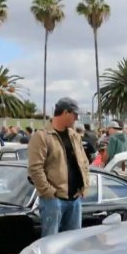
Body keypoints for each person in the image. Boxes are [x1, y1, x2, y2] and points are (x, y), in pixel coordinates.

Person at [27, 98, 90, 237]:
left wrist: (85, 186)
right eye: (74, 114)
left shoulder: (74, 136)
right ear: (65, 112)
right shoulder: (42, 136)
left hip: (75, 198)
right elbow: (35, 168)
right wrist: (49, 192)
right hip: (54, 200)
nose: (76, 118)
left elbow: (84, 162)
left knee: (73, 242)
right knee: (50, 242)